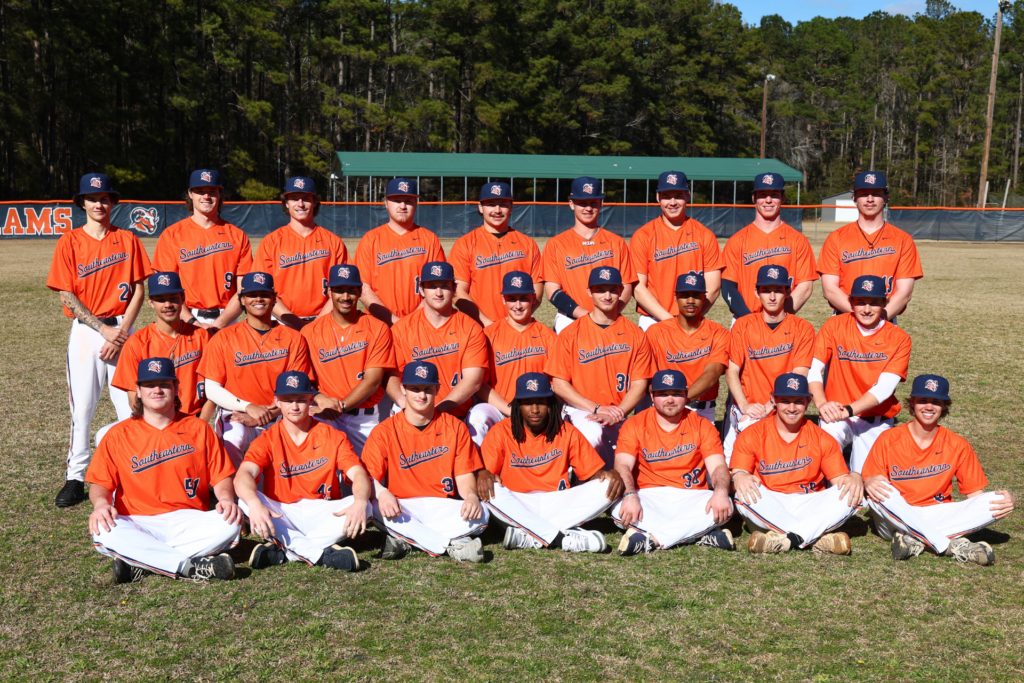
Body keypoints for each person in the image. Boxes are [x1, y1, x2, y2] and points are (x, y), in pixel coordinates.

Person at [47, 172, 152, 507]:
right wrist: (103, 329)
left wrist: (121, 333)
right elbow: (66, 294)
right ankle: (76, 477)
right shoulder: (70, 241)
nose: (98, 204)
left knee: (131, 407)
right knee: (82, 409)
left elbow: (139, 289)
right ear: (82, 203)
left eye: (104, 198)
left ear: (112, 202)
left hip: (122, 330)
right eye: (92, 199)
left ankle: (132, 473)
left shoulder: (128, 239)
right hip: (86, 332)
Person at [86, 357, 241, 583]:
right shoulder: (117, 435)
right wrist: (101, 504)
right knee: (103, 528)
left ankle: (143, 562)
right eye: (149, 385)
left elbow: (221, 475)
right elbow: (100, 483)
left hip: (189, 519)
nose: (157, 390)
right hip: (137, 521)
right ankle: (188, 567)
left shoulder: (199, 428)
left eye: (164, 385)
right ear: (139, 391)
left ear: (176, 388)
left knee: (231, 522)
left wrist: (226, 499)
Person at [863, 374, 1016, 565]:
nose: (929, 407)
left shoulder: (957, 444)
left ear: (944, 406)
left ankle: (914, 540)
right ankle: (947, 545)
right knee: (879, 490)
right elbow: (872, 484)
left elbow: (976, 496)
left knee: (998, 500)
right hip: (897, 518)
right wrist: (868, 481)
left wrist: (1007, 502)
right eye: (923, 400)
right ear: (913, 403)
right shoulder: (889, 439)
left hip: (938, 513)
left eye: (936, 402)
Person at [234, 371, 372, 572]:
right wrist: (255, 503)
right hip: (283, 513)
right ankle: (321, 555)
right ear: (277, 402)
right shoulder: (267, 439)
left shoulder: (331, 435)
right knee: (245, 502)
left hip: (324, 511)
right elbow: (243, 474)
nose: (295, 407)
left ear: (310, 401)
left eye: (300, 400)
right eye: (288, 400)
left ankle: (286, 551)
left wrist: (360, 501)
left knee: (365, 505)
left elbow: (358, 473)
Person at [477, 373, 623, 553]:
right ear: (518, 405)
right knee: (490, 489)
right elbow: (485, 474)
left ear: (551, 404)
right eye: (528, 403)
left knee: (608, 484)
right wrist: (482, 474)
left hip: (557, 502)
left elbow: (593, 472)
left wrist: (609, 473)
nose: (535, 409)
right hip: (517, 503)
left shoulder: (566, 430)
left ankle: (530, 535)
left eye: (541, 402)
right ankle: (561, 538)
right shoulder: (501, 431)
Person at [360, 361, 489, 563]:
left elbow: (464, 477)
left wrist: (471, 496)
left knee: (483, 513)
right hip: (402, 507)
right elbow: (367, 478)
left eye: (428, 389)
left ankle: (406, 539)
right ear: (403, 389)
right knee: (373, 507)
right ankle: (451, 545)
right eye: (415, 389)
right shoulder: (384, 431)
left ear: (437, 390)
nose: (422, 395)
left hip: (443, 505)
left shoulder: (455, 427)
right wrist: (382, 493)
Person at [730, 374, 863, 555]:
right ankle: (816, 538)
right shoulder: (752, 434)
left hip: (810, 503)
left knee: (852, 492)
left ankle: (788, 540)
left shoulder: (822, 438)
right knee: (742, 492)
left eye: (798, 402)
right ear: (773, 400)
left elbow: (841, 481)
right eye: (785, 401)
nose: (792, 408)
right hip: (771, 503)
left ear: (808, 402)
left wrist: (855, 476)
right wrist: (740, 476)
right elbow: (739, 473)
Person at [613, 370, 736, 556]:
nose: (670, 399)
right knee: (617, 508)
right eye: (663, 394)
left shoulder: (702, 424)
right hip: (647, 496)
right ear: (652, 396)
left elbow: (718, 466)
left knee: (725, 504)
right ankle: (696, 534)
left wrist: (720, 492)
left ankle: (652, 540)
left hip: (692, 496)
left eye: (676, 394)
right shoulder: (634, 424)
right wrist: (630, 495)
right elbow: (622, 465)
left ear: (686, 396)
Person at [198, 272, 312, 466]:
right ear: (242, 300)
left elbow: (299, 391)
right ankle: (232, 486)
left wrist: (268, 415)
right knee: (232, 440)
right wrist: (248, 407)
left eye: (264, 294)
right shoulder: (223, 338)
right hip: (237, 413)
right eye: (251, 295)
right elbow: (212, 389)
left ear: (274, 298)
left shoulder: (294, 338)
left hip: (282, 414)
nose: (258, 299)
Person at [545, 266, 655, 464]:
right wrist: (595, 409)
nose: (607, 296)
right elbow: (559, 384)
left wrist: (618, 413)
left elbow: (640, 384)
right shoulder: (570, 334)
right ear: (589, 291)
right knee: (592, 434)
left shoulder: (636, 335)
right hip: (581, 412)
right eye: (600, 290)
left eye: (613, 290)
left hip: (619, 414)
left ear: (621, 291)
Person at [97, 272, 214, 447]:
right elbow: (134, 400)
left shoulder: (201, 337)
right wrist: (161, 429)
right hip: (154, 423)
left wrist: (200, 425)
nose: (168, 305)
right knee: (103, 436)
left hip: (194, 420)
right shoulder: (137, 343)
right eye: (160, 299)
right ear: (151, 302)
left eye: (173, 298)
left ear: (182, 299)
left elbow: (214, 390)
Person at [809, 275, 912, 473]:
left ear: (884, 304)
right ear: (851, 303)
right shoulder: (834, 325)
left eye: (874, 303)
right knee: (830, 473)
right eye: (860, 302)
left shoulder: (899, 338)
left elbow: (885, 388)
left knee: (867, 482)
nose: (866, 309)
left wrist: (848, 410)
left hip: (875, 419)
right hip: (836, 415)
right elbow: (812, 369)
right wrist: (822, 404)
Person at [387, 261, 490, 440]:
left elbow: (473, 381)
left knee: (479, 420)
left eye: (444, 286)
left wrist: (436, 412)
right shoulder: (402, 329)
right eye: (432, 286)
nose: (439, 293)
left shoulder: (470, 328)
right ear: (421, 289)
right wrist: (403, 402)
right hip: (413, 415)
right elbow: (391, 375)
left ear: (454, 289)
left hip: (457, 415)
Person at [301, 264, 396, 454]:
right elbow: (303, 379)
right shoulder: (310, 332)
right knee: (319, 466)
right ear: (329, 292)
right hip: (323, 415)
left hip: (364, 419)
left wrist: (341, 406)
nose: (345, 297)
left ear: (359, 292)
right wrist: (319, 398)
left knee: (369, 470)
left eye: (351, 290)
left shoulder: (377, 328)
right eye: (339, 290)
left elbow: (373, 381)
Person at [722, 265, 814, 461]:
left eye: (778, 290)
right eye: (766, 290)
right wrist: (745, 406)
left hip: (783, 407)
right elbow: (732, 371)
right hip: (748, 407)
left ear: (788, 292)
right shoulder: (743, 325)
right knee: (735, 464)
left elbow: (799, 376)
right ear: (757, 292)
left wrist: (768, 407)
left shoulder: (803, 328)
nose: (772, 297)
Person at [152, 169, 253, 329]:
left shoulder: (237, 236)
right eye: (200, 191)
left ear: (220, 194)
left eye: (212, 191)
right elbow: (167, 290)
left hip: (227, 320)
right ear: (190, 194)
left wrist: (218, 324)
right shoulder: (171, 235)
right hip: (185, 319)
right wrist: (194, 323)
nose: (206, 196)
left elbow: (244, 290)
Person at [818, 172, 923, 321]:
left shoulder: (903, 240)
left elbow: (904, 293)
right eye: (864, 194)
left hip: (885, 318)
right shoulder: (836, 238)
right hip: (845, 317)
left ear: (885, 198)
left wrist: (877, 319)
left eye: (876, 194)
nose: (870, 199)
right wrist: (862, 316)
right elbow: (830, 290)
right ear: (854, 198)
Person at [469, 271, 557, 442]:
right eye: (511, 299)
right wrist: (510, 410)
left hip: (536, 411)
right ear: (503, 300)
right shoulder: (488, 336)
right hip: (499, 408)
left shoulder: (549, 337)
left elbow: (556, 384)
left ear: (533, 298)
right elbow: (479, 385)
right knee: (477, 418)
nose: (518, 305)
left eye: (523, 298)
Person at [630, 171, 724, 330]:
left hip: (693, 319)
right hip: (653, 320)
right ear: (658, 197)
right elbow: (638, 288)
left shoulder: (704, 235)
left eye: (678, 196)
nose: (672, 202)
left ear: (688, 196)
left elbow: (713, 287)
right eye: (666, 196)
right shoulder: (643, 236)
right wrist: (670, 322)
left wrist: (691, 318)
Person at [253, 177, 350, 329]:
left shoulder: (333, 242)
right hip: (281, 322)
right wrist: (297, 323)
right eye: (294, 198)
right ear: (286, 203)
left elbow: (343, 288)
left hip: (325, 322)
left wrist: (316, 324)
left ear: (315, 202)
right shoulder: (271, 242)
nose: (300, 204)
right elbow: (262, 290)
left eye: (306, 199)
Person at [542, 177, 635, 333]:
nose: (588, 208)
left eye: (593, 202)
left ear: (600, 203)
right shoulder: (556, 244)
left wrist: (608, 316)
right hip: (570, 319)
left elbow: (626, 286)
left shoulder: (617, 242)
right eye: (582, 203)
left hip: (609, 320)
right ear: (571, 204)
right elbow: (552, 291)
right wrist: (588, 317)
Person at [721, 173, 817, 322]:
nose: (768, 200)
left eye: (774, 195)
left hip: (782, 321)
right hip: (744, 320)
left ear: (783, 198)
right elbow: (728, 287)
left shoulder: (798, 240)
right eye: (762, 195)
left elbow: (805, 287)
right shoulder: (737, 241)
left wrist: (777, 318)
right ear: (754, 199)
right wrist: (750, 320)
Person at [448, 182, 544, 328]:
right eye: (491, 204)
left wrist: (515, 322)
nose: (497, 210)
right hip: (478, 327)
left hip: (518, 327)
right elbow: (458, 292)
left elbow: (537, 292)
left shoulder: (528, 244)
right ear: (480, 207)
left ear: (511, 207)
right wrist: (488, 325)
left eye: (503, 204)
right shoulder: (465, 244)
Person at [353, 178, 446, 323]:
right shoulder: (370, 240)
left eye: (408, 201)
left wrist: (410, 323)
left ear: (416, 204)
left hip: (421, 324)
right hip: (379, 324)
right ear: (386, 203)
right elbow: (363, 288)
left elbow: (438, 287)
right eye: (397, 201)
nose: (403, 206)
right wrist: (394, 321)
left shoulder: (430, 239)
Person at [643, 272, 729, 423]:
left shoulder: (718, 333)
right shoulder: (656, 332)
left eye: (696, 296)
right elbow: (648, 376)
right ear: (676, 297)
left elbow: (712, 374)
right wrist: (668, 403)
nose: (690, 301)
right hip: (664, 408)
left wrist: (678, 401)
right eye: (684, 295)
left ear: (704, 298)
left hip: (702, 410)